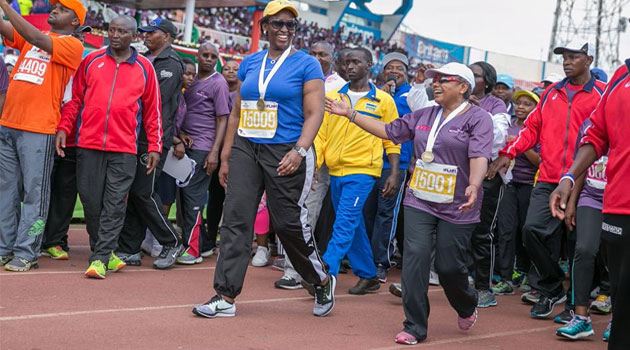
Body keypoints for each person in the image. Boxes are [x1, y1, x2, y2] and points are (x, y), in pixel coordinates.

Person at [326, 62, 492, 345]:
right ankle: (415, 325)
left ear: (463, 87)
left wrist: (475, 185)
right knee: (414, 261)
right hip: (420, 200)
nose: (436, 84)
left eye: (444, 80)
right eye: (434, 80)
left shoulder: (479, 119)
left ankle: (466, 304)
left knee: (449, 267)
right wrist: (351, 114)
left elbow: (479, 157)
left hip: (458, 205)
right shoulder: (424, 114)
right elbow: (388, 131)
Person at [192, 0, 333, 319]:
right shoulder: (250, 62)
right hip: (246, 145)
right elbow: (238, 110)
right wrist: (226, 154)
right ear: (264, 26)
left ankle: (319, 279)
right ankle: (225, 295)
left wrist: (300, 150)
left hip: (285, 148)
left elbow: (315, 113)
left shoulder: (306, 64)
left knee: (287, 222)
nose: (285, 30)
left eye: (291, 25)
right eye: (278, 24)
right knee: (235, 219)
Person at [489, 42, 605, 319]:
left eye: (573, 57)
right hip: (549, 178)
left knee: (578, 245)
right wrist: (509, 152)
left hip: (584, 182)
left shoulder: (602, 94)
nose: (567, 62)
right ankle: (552, 287)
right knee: (531, 231)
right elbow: (532, 129)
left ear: (588, 59)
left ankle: (574, 306)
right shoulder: (553, 92)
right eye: (564, 57)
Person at [55, 15, 163, 279]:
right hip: (88, 144)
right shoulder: (91, 61)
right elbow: (75, 99)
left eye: (121, 31)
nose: (115, 35)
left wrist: (154, 146)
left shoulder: (145, 68)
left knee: (115, 204)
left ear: (133, 35)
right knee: (91, 203)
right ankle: (107, 253)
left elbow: (153, 112)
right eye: (112, 30)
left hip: (124, 149)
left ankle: (100, 258)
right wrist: (64, 128)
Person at [549, 59, 630, 349]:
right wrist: (569, 178)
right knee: (621, 297)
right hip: (617, 206)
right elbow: (596, 134)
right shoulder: (622, 75)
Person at [0, 0, 84, 271]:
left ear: (74, 22)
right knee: (6, 191)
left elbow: (29, 34)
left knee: (35, 194)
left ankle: (27, 251)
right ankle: (4, 247)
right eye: (55, 5)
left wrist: (4, 4)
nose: (55, 9)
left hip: (38, 129)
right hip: (8, 124)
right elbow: (9, 29)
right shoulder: (39, 37)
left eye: (63, 9)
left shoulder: (73, 45)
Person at [315, 47, 400, 294]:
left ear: (369, 65)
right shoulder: (332, 96)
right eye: (346, 62)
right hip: (335, 171)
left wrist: (393, 172)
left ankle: (323, 273)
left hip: (363, 172)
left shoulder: (383, 100)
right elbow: (321, 135)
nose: (350, 66)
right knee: (355, 224)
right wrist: (316, 167)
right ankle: (368, 275)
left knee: (343, 223)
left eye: (356, 62)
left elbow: (392, 138)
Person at [274, 40, 347, 289]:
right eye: (312, 53)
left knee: (306, 213)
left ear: (333, 58)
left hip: (321, 160)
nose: (317, 58)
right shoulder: (299, 75)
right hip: (293, 151)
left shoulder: (340, 87)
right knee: (290, 211)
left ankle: (296, 271)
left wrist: (316, 162)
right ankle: (294, 264)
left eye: (322, 54)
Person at [115, 17, 185, 270]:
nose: (145, 36)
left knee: (143, 191)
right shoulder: (146, 59)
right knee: (134, 191)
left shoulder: (171, 64)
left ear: (166, 36)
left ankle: (171, 241)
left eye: (151, 32)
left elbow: (153, 102)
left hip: (153, 138)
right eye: (143, 32)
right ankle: (130, 248)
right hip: (135, 135)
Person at [174, 42, 230, 264]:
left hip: (203, 147)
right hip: (185, 144)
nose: (208, 59)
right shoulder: (191, 79)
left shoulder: (219, 84)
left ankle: (193, 249)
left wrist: (214, 152)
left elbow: (222, 118)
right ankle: (200, 243)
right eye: (204, 55)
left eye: (213, 56)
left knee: (193, 197)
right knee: (183, 197)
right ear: (197, 56)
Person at [40, 24, 92, 260]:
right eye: (75, 35)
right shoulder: (49, 60)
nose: (80, 38)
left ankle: (55, 239)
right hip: (43, 132)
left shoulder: (86, 67)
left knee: (64, 192)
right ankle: (41, 237)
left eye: (82, 35)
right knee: (41, 190)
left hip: (73, 140)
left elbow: (76, 103)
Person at [554, 117, 607, 340]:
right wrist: (572, 202)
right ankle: (581, 317)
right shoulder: (590, 123)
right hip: (591, 197)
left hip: (620, 198)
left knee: (617, 258)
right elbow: (583, 163)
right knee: (583, 250)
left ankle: (618, 320)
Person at [364, 51, 411, 283]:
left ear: (406, 73)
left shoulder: (412, 97)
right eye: (390, 67)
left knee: (386, 213)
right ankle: (364, 258)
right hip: (369, 160)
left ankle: (381, 261)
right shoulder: (374, 94)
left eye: (399, 68)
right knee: (367, 211)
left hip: (396, 164)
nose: (394, 71)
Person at [468, 61, 510, 308]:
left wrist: (478, 113)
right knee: (457, 230)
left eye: (477, 76)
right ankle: (462, 280)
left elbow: (497, 138)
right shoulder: (455, 99)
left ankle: (484, 287)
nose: (471, 79)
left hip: (487, 178)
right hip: (460, 175)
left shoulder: (496, 104)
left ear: (488, 81)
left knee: (482, 232)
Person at [492, 90, 540, 296]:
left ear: (536, 109)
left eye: (527, 104)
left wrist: (519, 145)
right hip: (508, 183)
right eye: (519, 103)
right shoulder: (508, 124)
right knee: (505, 229)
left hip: (530, 185)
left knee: (526, 230)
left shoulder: (540, 129)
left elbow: (539, 161)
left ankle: (528, 274)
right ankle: (505, 278)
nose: (521, 107)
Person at [201, 59, 239, 258]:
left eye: (235, 69)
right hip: (212, 149)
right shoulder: (217, 90)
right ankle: (209, 236)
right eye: (227, 68)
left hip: (234, 154)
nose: (231, 71)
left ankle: (228, 239)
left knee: (230, 199)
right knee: (213, 198)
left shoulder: (241, 95)